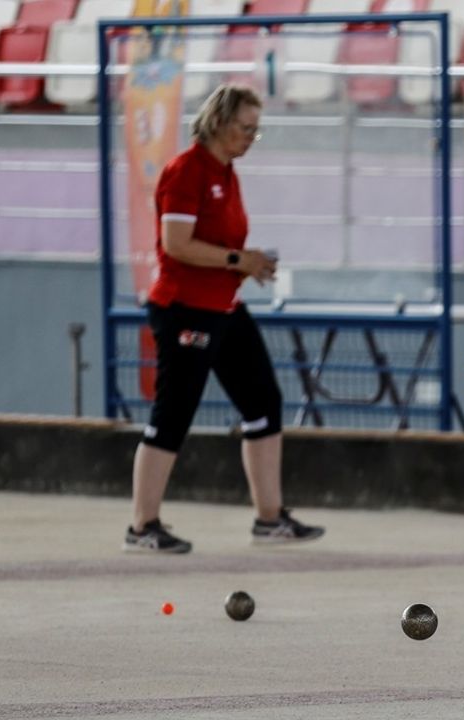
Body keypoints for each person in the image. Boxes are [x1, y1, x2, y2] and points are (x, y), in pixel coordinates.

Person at [125, 83, 323, 554]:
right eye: (245, 127)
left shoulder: (226, 172)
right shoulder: (186, 171)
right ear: (219, 122)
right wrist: (240, 260)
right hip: (184, 308)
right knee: (173, 413)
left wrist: (246, 265)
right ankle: (142, 525)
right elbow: (177, 245)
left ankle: (269, 518)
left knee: (262, 402)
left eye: (258, 130)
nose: (252, 137)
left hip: (223, 306)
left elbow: (221, 246)